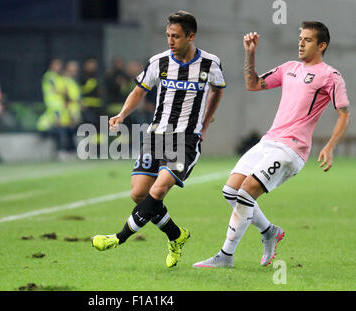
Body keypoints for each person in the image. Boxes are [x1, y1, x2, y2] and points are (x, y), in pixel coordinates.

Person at [193, 21, 350, 268]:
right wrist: (250, 53)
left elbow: (344, 113)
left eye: (307, 40)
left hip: (292, 149)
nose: (300, 42)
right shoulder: (289, 68)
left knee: (245, 193)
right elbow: (252, 84)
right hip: (268, 141)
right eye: (300, 38)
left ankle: (226, 255)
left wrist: (330, 145)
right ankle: (269, 232)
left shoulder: (330, 76)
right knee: (230, 192)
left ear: (322, 46)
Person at [91, 11, 226, 268]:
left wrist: (206, 121)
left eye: (176, 36)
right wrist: (120, 115)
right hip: (156, 135)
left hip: (185, 139)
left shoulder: (210, 64)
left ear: (191, 36)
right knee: (139, 193)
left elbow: (217, 91)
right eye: (168, 36)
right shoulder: (159, 62)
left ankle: (118, 238)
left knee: (158, 190)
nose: (170, 41)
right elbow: (139, 91)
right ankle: (177, 236)